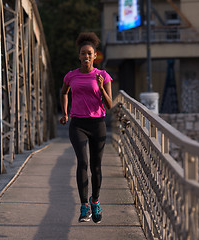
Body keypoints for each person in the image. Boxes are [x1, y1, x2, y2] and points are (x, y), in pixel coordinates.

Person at [60, 32, 113, 223]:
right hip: (78, 124)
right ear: (79, 55)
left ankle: (95, 201)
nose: (87, 57)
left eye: (90, 53)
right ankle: (84, 207)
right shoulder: (71, 75)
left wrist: (100, 87)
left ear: (95, 55)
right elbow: (64, 92)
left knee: (96, 166)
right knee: (82, 163)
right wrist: (65, 112)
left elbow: (110, 105)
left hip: (97, 124)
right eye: (83, 53)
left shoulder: (103, 76)